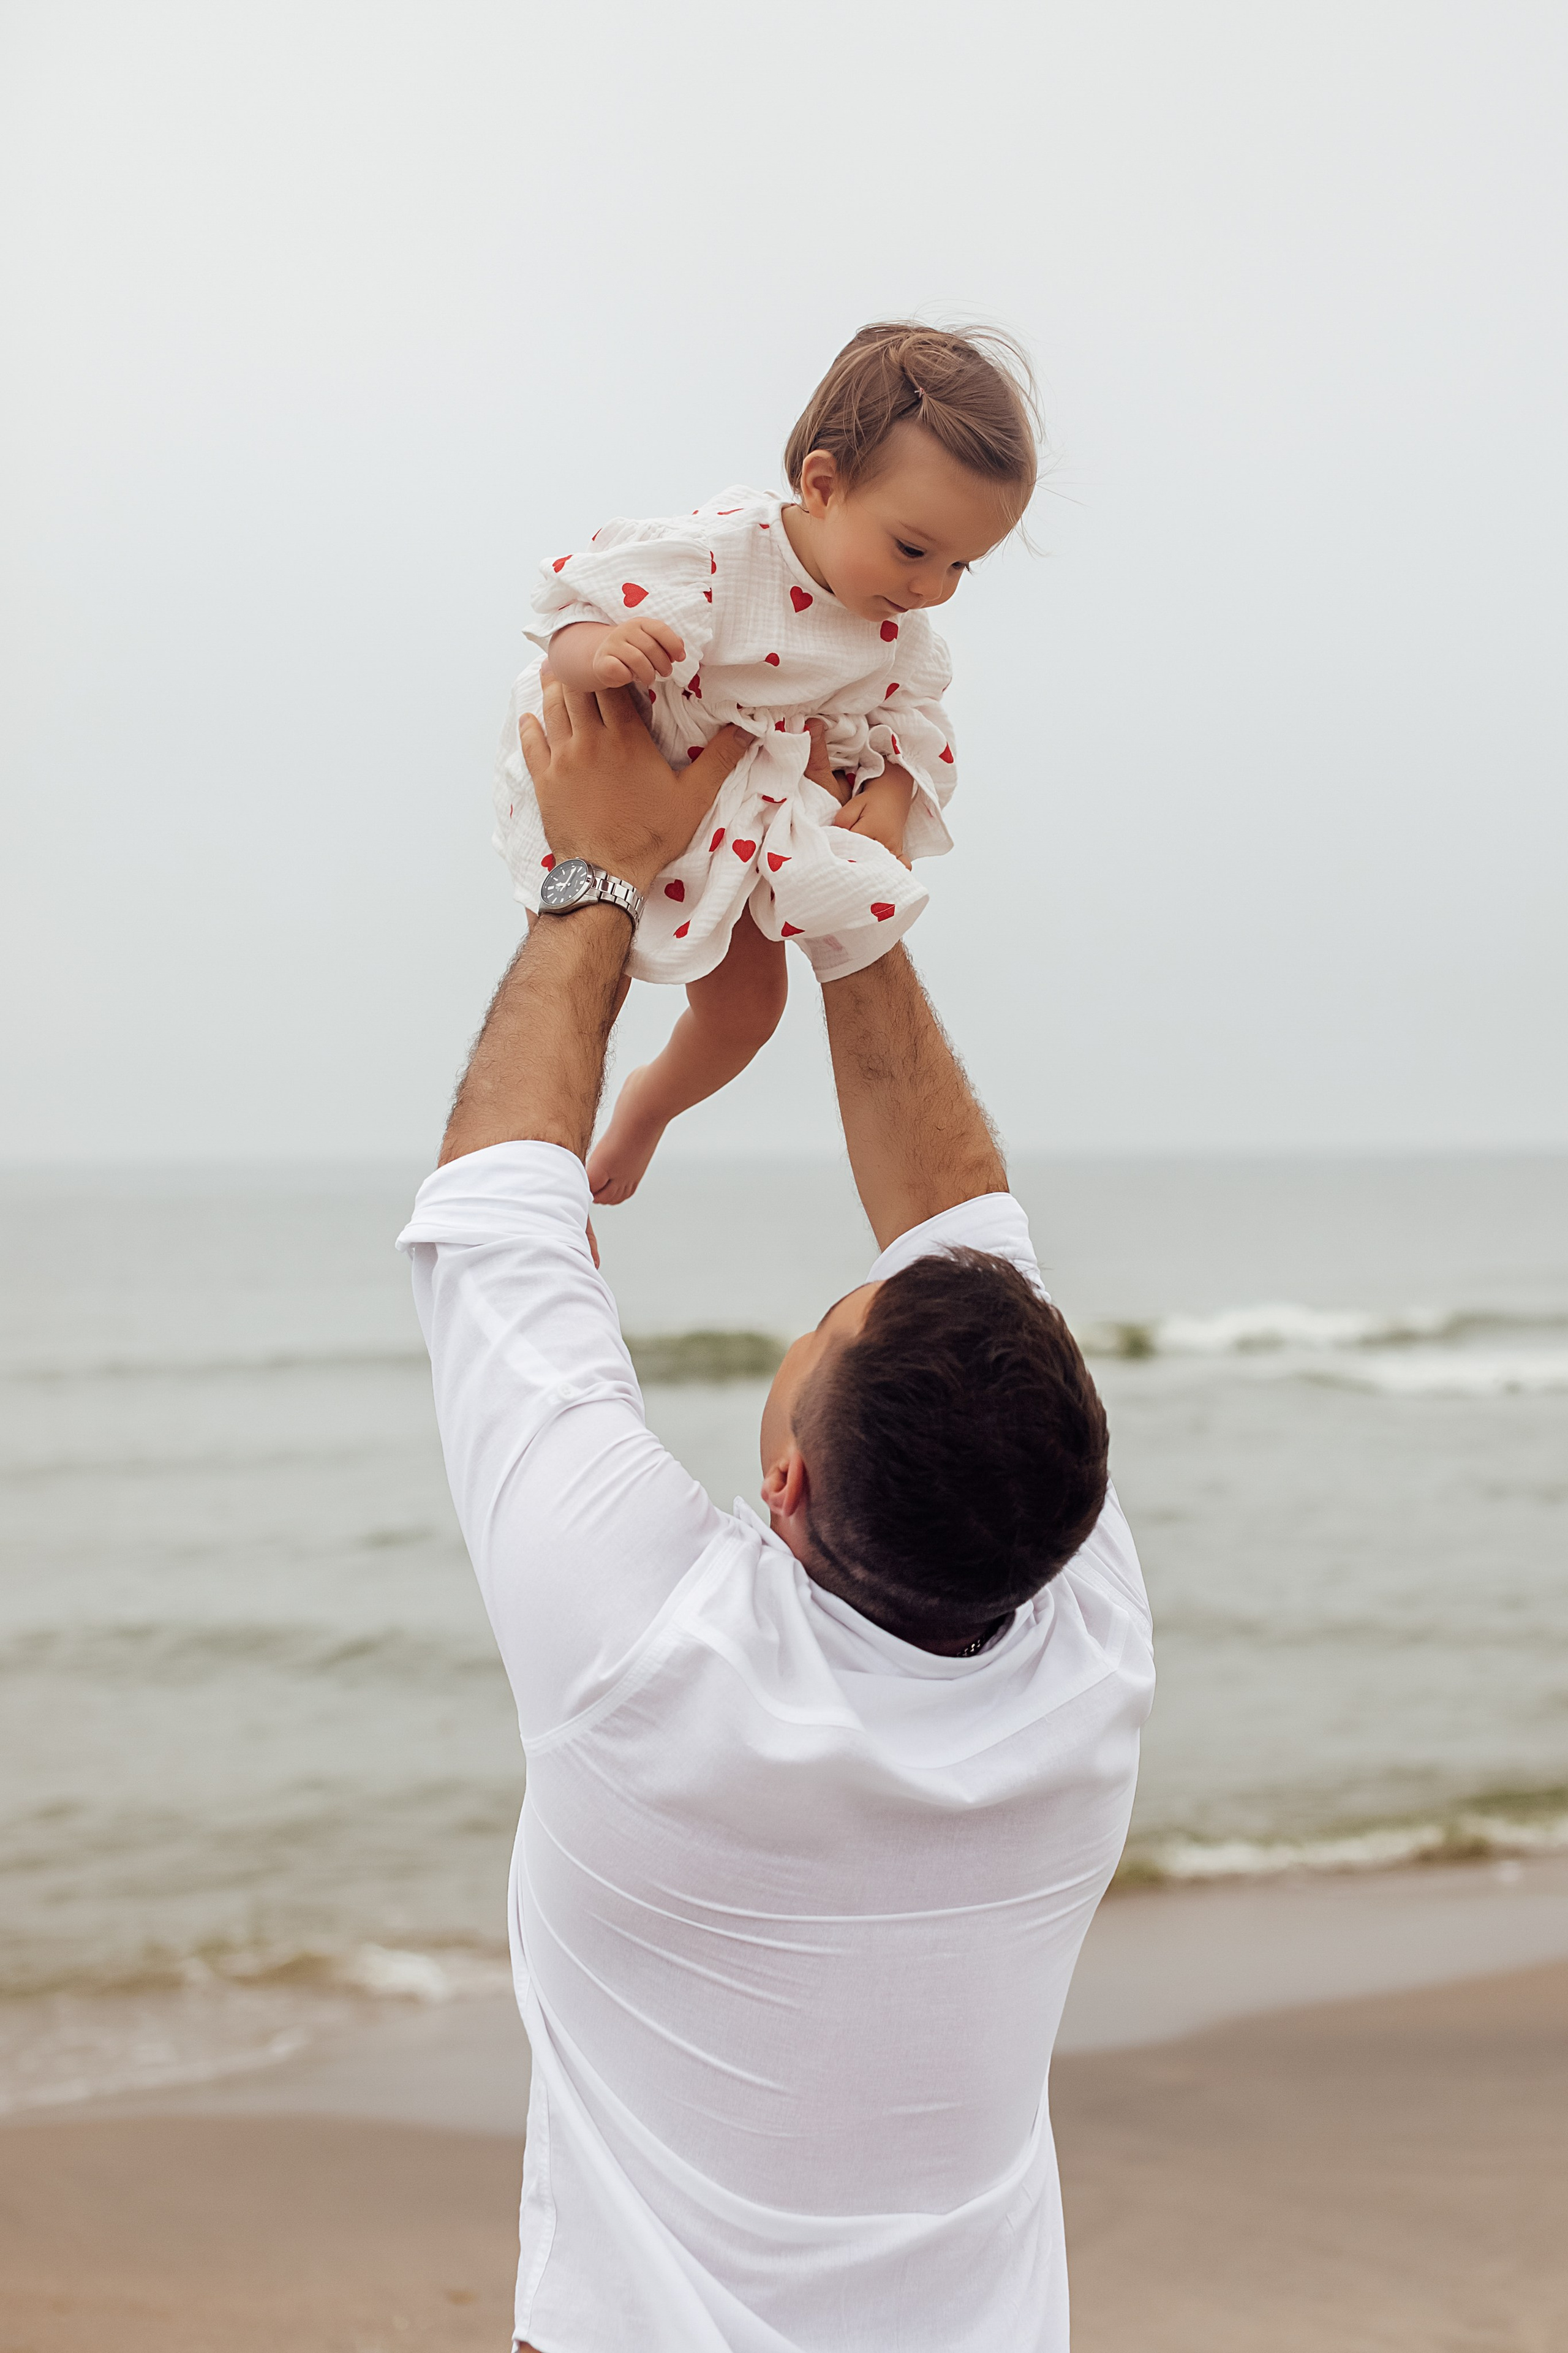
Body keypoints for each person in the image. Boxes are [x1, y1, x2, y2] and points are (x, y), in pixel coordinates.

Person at [400, 679, 1155, 2352]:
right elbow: (959, 1222)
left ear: (788, 1477)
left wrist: (600, 868)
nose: (838, 1300)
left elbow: (495, 1208)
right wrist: (848, 921)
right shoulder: (1083, 1637)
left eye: (818, 1333)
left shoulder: (645, 1656)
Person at [491, 322, 1040, 1203]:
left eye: (961, 566)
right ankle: (545, 1166)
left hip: (749, 811)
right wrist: (604, 652)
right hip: (622, 767)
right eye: (913, 549)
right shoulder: (721, 557)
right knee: (572, 1002)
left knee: (748, 1015)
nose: (931, 587)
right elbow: (567, 616)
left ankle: (646, 1112)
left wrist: (896, 792)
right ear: (823, 486)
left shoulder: (896, 629)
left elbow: (918, 722)